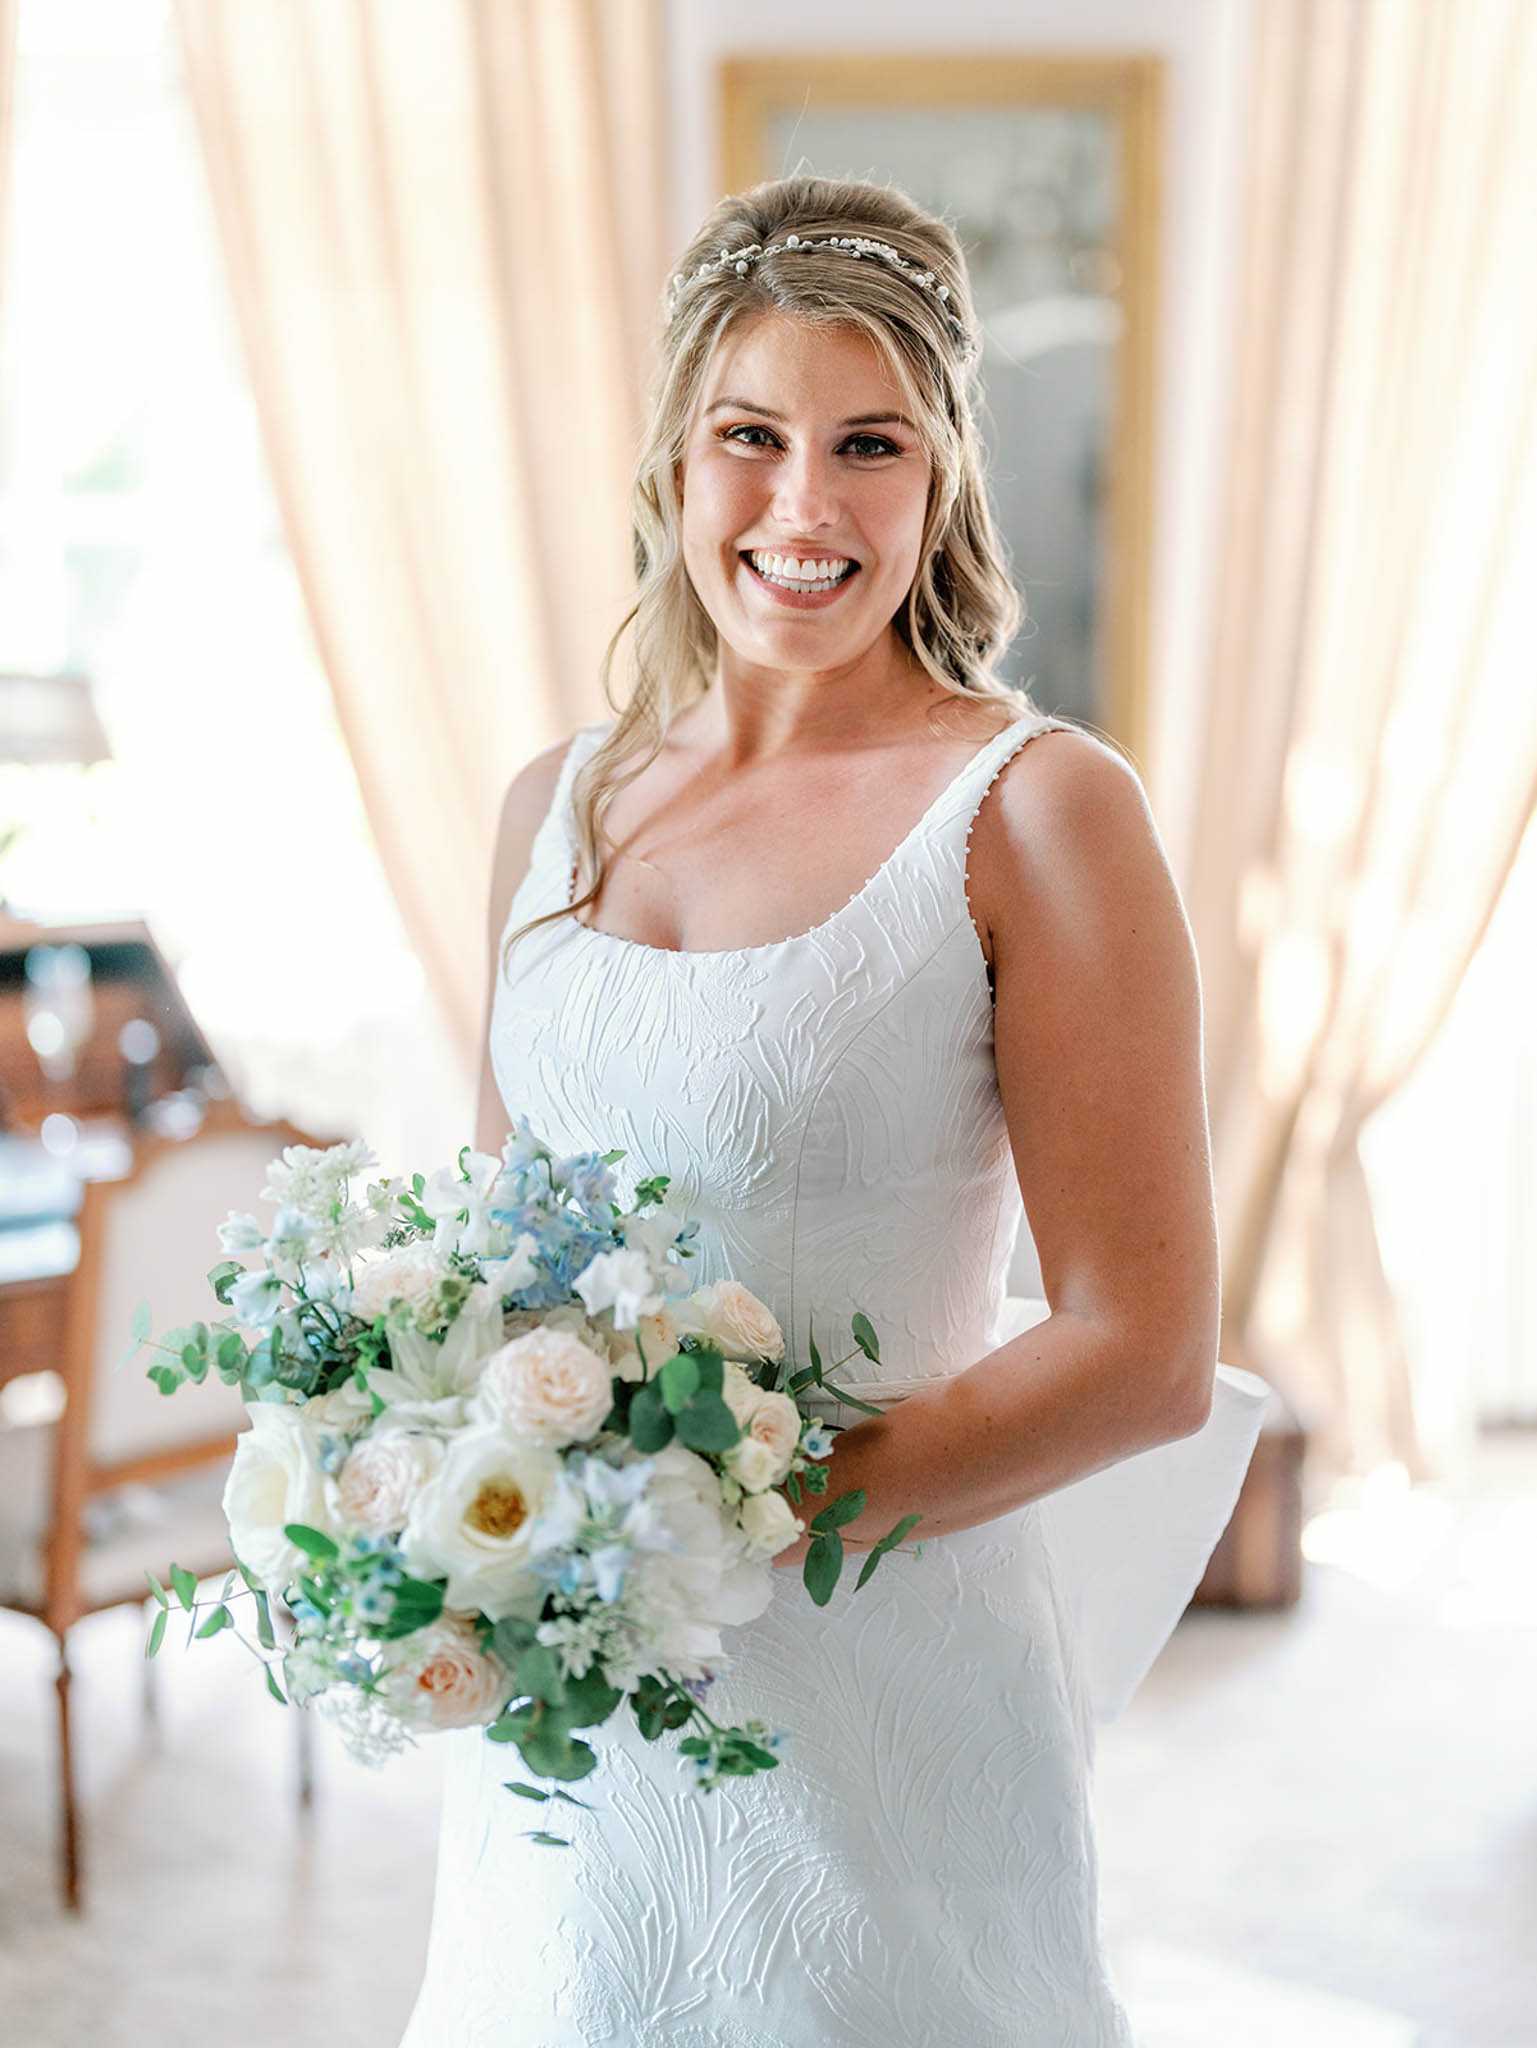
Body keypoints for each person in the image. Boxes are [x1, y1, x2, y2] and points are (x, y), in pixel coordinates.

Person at [399, 172, 1268, 2047]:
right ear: (673, 461)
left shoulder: (1036, 809)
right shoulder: (553, 805)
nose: (805, 508)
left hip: (875, 1689)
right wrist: (451, 1500)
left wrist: (720, 1532)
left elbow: (1143, 1349)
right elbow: (493, 1259)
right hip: (574, 1698)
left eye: (867, 443)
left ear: (940, 474)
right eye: (751, 439)